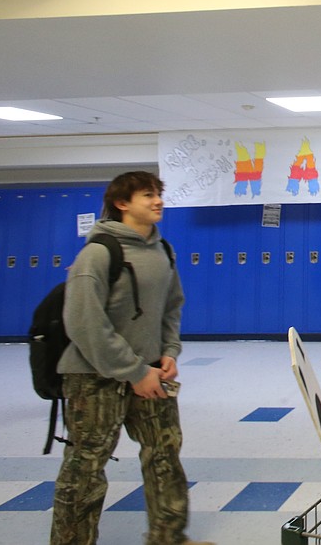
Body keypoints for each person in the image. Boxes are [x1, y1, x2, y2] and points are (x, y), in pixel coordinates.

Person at [51, 171, 213, 545]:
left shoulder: (162, 250)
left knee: (164, 455)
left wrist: (168, 352)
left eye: (158, 194)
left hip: (152, 373)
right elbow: (83, 323)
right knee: (86, 468)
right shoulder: (98, 253)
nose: (157, 201)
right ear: (122, 203)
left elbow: (171, 307)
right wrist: (133, 370)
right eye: (147, 195)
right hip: (94, 378)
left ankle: (169, 537)